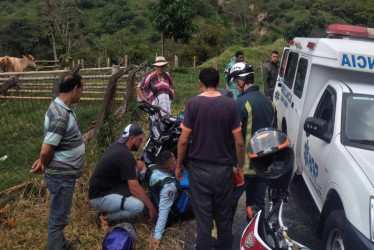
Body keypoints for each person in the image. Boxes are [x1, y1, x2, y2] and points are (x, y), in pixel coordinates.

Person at [176, 68, 245, 250]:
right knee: (223, 219)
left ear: (200, 83)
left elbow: (183, 140)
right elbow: (239, 142)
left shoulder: (192, 104)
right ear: (219, 83)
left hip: (199, 171)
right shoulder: (230, 105)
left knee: (204, 221)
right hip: (223, 171)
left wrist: (178, 165)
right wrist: (240, 167)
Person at [30, 73, 85, 250]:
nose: (82, 94)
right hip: (61, 178)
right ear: (75, 89)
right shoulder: (61, 115)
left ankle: (61, 245)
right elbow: (46, 149)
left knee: (59, 215)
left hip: (62, 175)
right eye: (82, 89)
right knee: (58, 219)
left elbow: (52, 141)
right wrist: (43, 161)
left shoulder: (58, 107)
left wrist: (42, 160)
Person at [228, 62, 276, 221]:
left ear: (241, 81)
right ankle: (254, 241)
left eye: (235, 82)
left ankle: (222, 239)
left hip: (242, 168)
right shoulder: (269, 102)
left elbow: (233, 137)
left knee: (229, 204)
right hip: (262, 166)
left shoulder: (240, 103)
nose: (236, 85)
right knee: (256, 207)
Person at [88, 124, 158, 230]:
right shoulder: (125, 156)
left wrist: (137, 163)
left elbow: (125, 165)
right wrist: (151, 207)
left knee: (137, 169)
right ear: (132, 139)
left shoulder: (118, 147)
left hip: (105, 187)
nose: (141, 143)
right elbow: (133, 188)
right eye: (140, 140)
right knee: (138, 206)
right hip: (99, 197)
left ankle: (119, 204)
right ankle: (105, 217)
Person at [148, 150, 178, 246]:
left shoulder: (151, 170)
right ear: (171, 167)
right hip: (168, 210)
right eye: (175, 161)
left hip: (155, 198)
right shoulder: (169, 187)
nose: (177, 161)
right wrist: (157, 236)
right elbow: (164, 211)